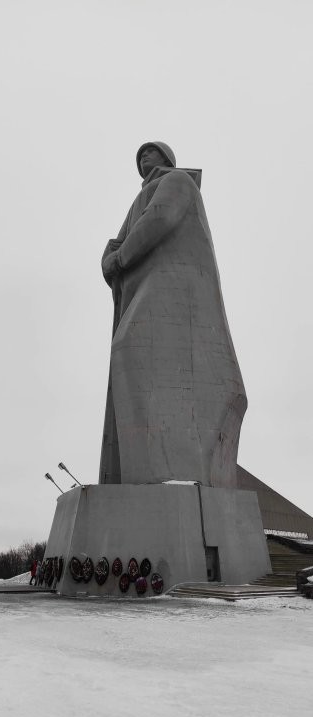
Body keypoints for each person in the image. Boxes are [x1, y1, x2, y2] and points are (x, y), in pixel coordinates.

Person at [99, 141, 247, 489]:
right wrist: (111, 256)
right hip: (147, 285)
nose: (143, 157)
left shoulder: (177, 181)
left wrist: (118, 259)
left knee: (131, 348)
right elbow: (121, 239)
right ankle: (148, 472)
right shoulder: (141, 197)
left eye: (150, 152)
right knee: (130, 355)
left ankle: (170, 469)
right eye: (139, 155)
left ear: (166, 158)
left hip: (172, 289)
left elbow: (159, 218)